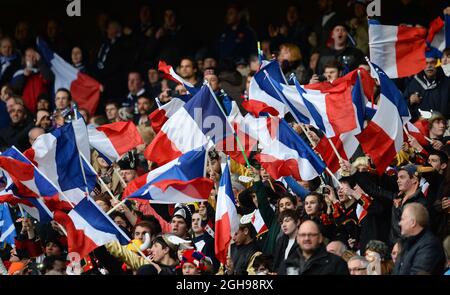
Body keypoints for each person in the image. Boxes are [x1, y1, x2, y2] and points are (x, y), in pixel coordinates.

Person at [278, 220, 349, 275]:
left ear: (320, 238)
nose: (306, 238)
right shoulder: (287, 265)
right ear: (298, 239)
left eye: (311, 235)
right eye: (303, 235)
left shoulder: (337, 264)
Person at [393, 203, 446, 275]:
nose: (400, 223)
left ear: (413, 223)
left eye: (402, 219)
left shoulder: (430, 246)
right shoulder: (407, 242)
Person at [404, 49, 450, 120]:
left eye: (432, 62)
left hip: (443, 126)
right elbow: (403, 105)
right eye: (426, 63)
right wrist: (410, 101)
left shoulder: (447, 83)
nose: (429, 66)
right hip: (420, 127)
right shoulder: (415, 82)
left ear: (437, 64)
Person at [10, 47, 53, 113]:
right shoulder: (20, 72)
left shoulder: (42, 71)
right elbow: (15, 88)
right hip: (26, 110)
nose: (31, 58)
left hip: (42, 108)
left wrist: (40, 61)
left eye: (34, 56)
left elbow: (49, 78)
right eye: (29, 56)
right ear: (25, 58)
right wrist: (24, 76)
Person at [272, 209, 301, 273]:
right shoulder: (280, 241)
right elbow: (276, 264)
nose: (283, 225)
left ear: (298, 222)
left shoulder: (303, 241)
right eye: (281, 222)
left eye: (287, 221)